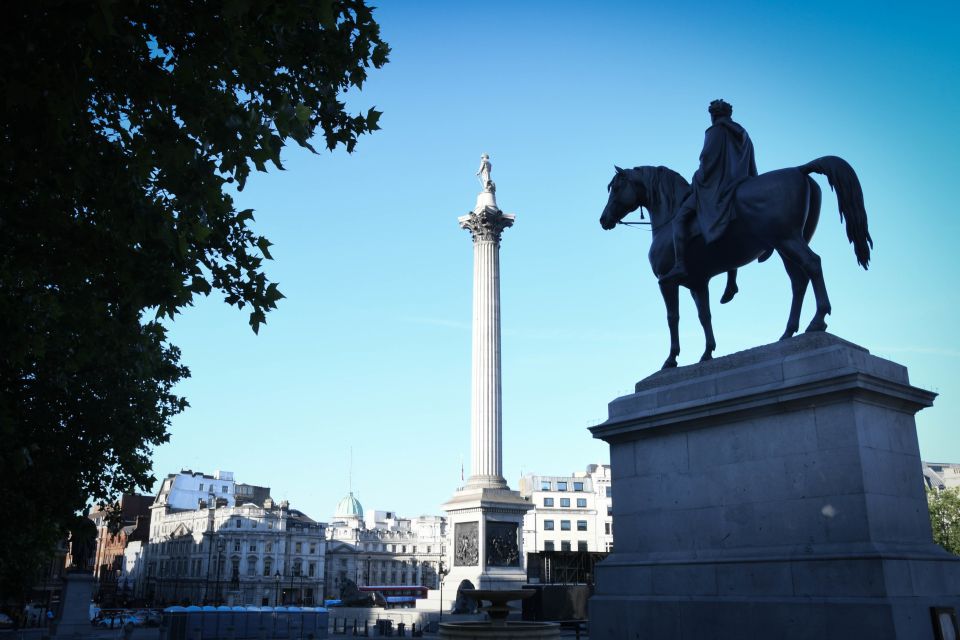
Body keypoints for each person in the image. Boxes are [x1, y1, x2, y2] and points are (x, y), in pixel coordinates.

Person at [659, 99, 758, 290]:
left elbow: (707, 160)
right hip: (740, 183)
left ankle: (679, 264)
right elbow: (751, 163)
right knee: (730, 224)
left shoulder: (715, 131)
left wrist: (697, 179)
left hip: (717, 187)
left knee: (679, 219)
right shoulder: (743, 134)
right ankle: (732, 281)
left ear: (714, 115)